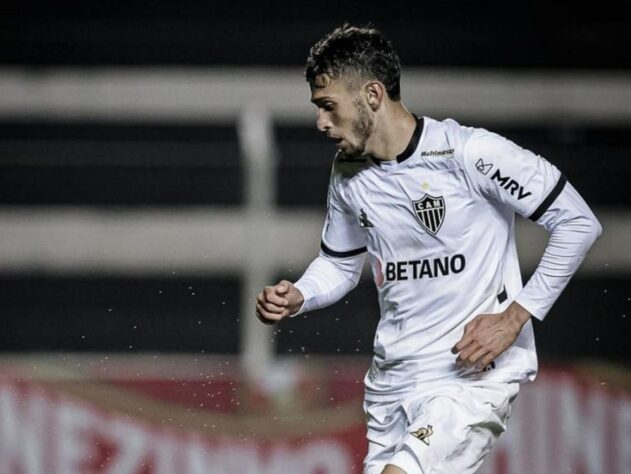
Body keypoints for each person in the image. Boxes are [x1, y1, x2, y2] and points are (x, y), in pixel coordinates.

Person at [255, 24, 601, 474]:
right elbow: (340, 264)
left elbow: (578, 222)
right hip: (393, 382)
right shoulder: (348, 173)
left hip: (469, 376)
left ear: (373, 95)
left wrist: (515, 318)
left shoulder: (469, 154)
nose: (321, 122)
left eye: (328, 107)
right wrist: (300, 294)